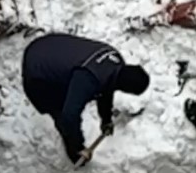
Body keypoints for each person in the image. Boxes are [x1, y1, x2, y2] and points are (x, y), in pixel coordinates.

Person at [21, 32, 150, 163]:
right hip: (38, 69)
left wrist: (106, 119)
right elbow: (69, 115)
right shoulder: (88, 79)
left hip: (51, 44)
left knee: (74, 91)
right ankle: (73, 151)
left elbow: (107, 87)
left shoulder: (115, 59)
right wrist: (78, 146)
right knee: (60, 109)